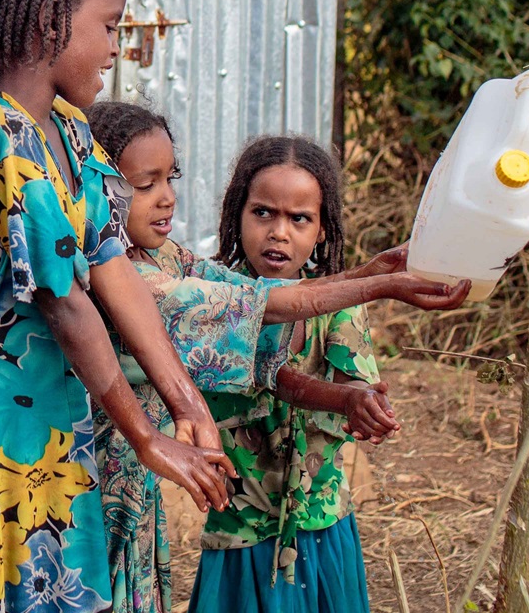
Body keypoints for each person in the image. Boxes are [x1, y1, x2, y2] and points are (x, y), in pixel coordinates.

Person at [0, 0, 234, 613]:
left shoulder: (71, 133)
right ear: (51, 21)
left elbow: (112, 268)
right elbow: (66, 302)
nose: (115, 47)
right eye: (108, 26)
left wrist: (188, 404)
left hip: (49, 423)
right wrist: (145, 437)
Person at [84, 105, 469, 613]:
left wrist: (370, 275)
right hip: (111, 487)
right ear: (97, 189)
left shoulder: (166, 257)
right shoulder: (127, 276)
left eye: (170, 179)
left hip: (158, 490)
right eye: (145, 183)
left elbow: (258, 297)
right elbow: (256, 306)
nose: (167, 197)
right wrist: (381, 285)